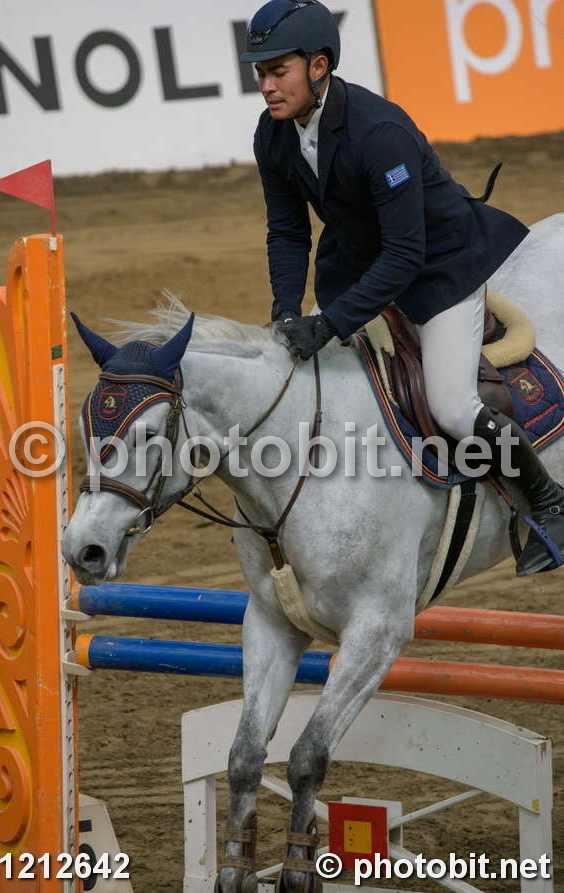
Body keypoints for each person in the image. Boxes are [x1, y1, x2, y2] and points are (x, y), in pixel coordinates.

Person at [241, 0, 564, 576]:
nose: (266, 86)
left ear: (319, 66)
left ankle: (550, 501)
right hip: (357, 261)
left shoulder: (379, 131)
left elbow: (405, 253)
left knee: (451, 406)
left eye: (277, 71)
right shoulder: (273, 134)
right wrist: (287, 310)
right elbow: (287, 232)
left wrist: (331, 323)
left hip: (438, 267)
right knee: (306, 380)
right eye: (260, 73)